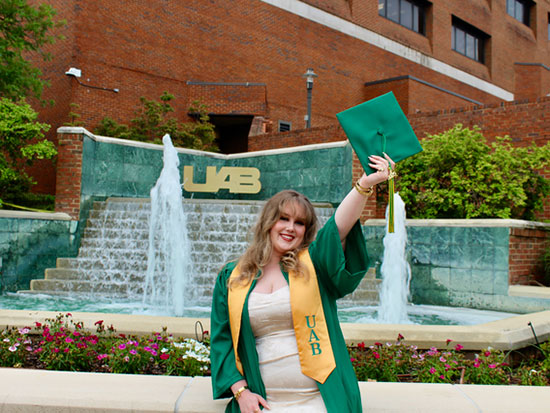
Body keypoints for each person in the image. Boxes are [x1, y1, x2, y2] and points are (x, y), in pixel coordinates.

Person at [210, 154, 395, 413]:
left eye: (299, 223)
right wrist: (241, 392)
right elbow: (222, 340)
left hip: (321, 398)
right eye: (283, 218)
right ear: (268, 222)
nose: (290, 228)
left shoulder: (312, 265)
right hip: (262, 402)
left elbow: (337, 228)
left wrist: (365, 184)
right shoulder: (233, 277)